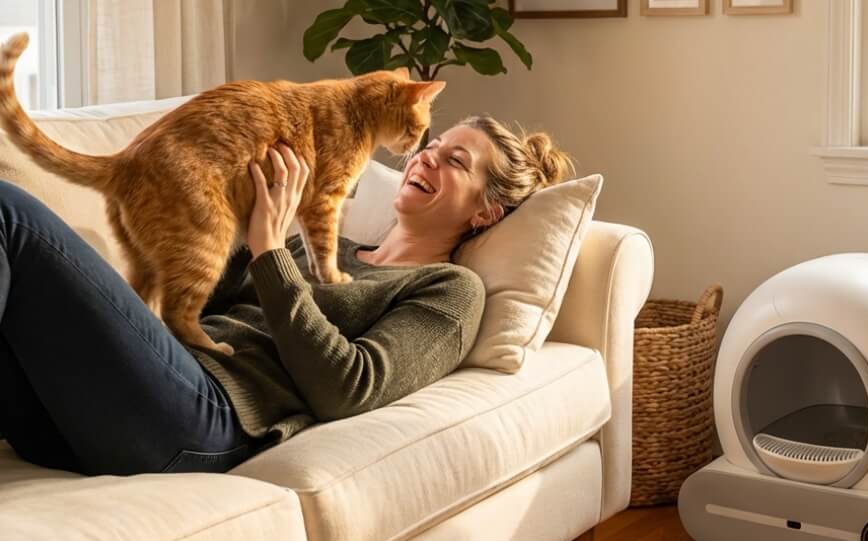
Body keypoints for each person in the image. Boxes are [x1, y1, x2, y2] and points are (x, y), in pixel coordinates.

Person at [0, 115, 574, 477]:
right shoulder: (327, 252)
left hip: (204, 420)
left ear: (486, 211)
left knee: (10, 216)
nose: (426, 156)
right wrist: (240, 214)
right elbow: (207, 306)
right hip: (96, 418)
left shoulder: (450, 290)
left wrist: (271, 248)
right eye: (435, 144)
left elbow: (349, 389)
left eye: (456, 161)